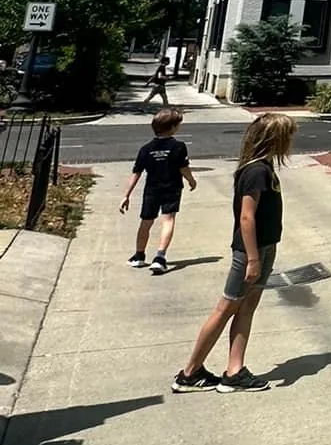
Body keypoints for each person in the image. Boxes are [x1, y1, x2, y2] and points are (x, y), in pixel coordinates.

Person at [172, 113, 295, 394]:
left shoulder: (264, 167)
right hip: (250, 251)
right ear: (273, 139)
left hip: (265, 246)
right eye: (286, 136)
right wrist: (252, 258)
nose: (289, 142)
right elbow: (246, 217)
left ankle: (234, 371)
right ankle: (189, 373)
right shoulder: (256, 171)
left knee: (247, 307)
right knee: (225, 308)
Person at [120, 107, 197, 272]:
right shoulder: (178, 146)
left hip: (151, 189)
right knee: (168, 219)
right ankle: (160, 257)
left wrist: (126, 195)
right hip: (172, 188)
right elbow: (183, 168)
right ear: (172, 127)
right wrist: (191, 180)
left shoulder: (146, 148)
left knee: (146, 221)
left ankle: (139, 256)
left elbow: (136, 173)